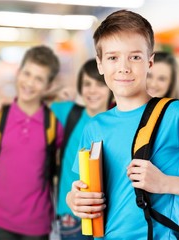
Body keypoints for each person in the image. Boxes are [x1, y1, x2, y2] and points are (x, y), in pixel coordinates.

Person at [66, 9, 179, 239]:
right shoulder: (94, 126)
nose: (123, 67)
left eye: (134, 57)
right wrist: (73, 199)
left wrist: (164, 183)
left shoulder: (178, 114)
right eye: (113, 57)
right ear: (100, 64)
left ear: (150, 62)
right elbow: (79, 189)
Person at [0, 45, 64, 240]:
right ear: (18, 73)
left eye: (39, 79)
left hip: (38, 223)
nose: (30, 83)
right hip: (0, 221)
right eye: (27, 74)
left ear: (48, 86)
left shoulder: (53, 124)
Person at [50, 58, 113, 239]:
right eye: (86, 84)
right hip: (71, 214)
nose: (92, 90)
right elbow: (32, 100)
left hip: (106, 214)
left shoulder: (119, 121)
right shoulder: (69, 112)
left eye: (99, 84)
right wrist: (58, 90)